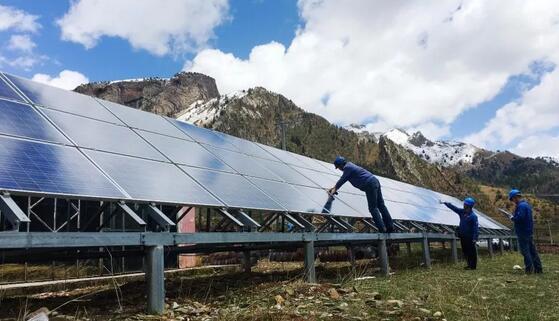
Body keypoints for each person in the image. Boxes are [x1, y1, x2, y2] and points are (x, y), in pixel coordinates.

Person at [328, 156, 394, 233]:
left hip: (369, 184)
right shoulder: (350, 165)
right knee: (381, 205)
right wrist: (334, 188)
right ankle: (390, 227)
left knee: (373, 208)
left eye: (338, 167)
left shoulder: (347, 168)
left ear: (341, 165)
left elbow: (342, 180)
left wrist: (334, 189)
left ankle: (382, 229)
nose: (339, 169)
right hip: (375, 181)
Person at [509, 189, 543, 274]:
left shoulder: (521, 206)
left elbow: (520, 218)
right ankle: (538, 269)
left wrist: (512, 218)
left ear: (515, 197)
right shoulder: (526, 205)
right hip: (528, 231)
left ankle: (529, 269)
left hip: (523, 232)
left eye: (512, 199)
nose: (512, 201)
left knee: (525, 251)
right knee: (532, 251)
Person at [441, 198, 479, 270]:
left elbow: (475, 228)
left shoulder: (473, 216)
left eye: (465, 204)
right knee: (465, 251)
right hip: (463, 236)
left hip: (470, 237)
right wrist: (447, 204)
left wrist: (475, 238)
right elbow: (454, 208)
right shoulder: (462, 212)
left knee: (471, 251)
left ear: (468, 206)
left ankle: (473, 266)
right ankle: (469, 264)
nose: (463, 205)